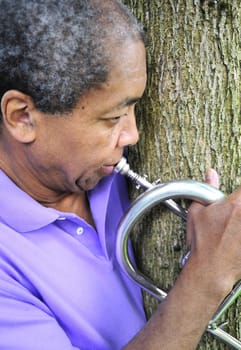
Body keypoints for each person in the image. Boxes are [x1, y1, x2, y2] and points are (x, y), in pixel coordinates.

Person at [0, 0, 241, 349]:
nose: (132, 136)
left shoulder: (105, 168)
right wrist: (207, 275)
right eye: (112, 118)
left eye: (134, 107)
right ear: (22, 117)